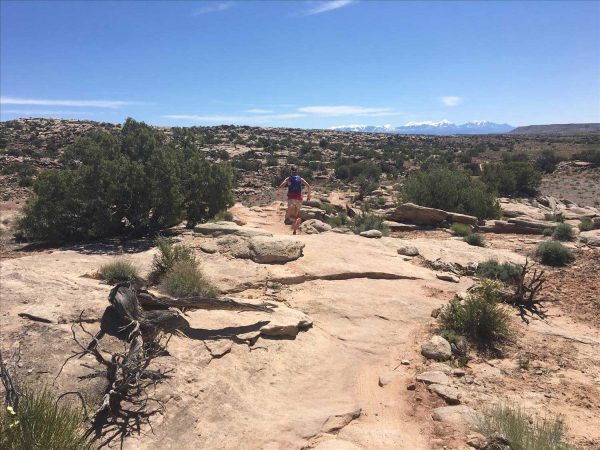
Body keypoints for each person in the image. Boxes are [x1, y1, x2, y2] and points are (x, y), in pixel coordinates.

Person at [276, 166, 311, 234]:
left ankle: (288, 219)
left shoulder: (289, 178)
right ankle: (294, 229)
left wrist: (278, 193)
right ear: (297, 171)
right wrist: (308, 196)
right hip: (299, 198)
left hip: (291, 197)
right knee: (296, 214)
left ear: (291, 171)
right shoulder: (300, 179)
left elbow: (281, 186)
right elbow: (309, 187)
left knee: (290, 211)